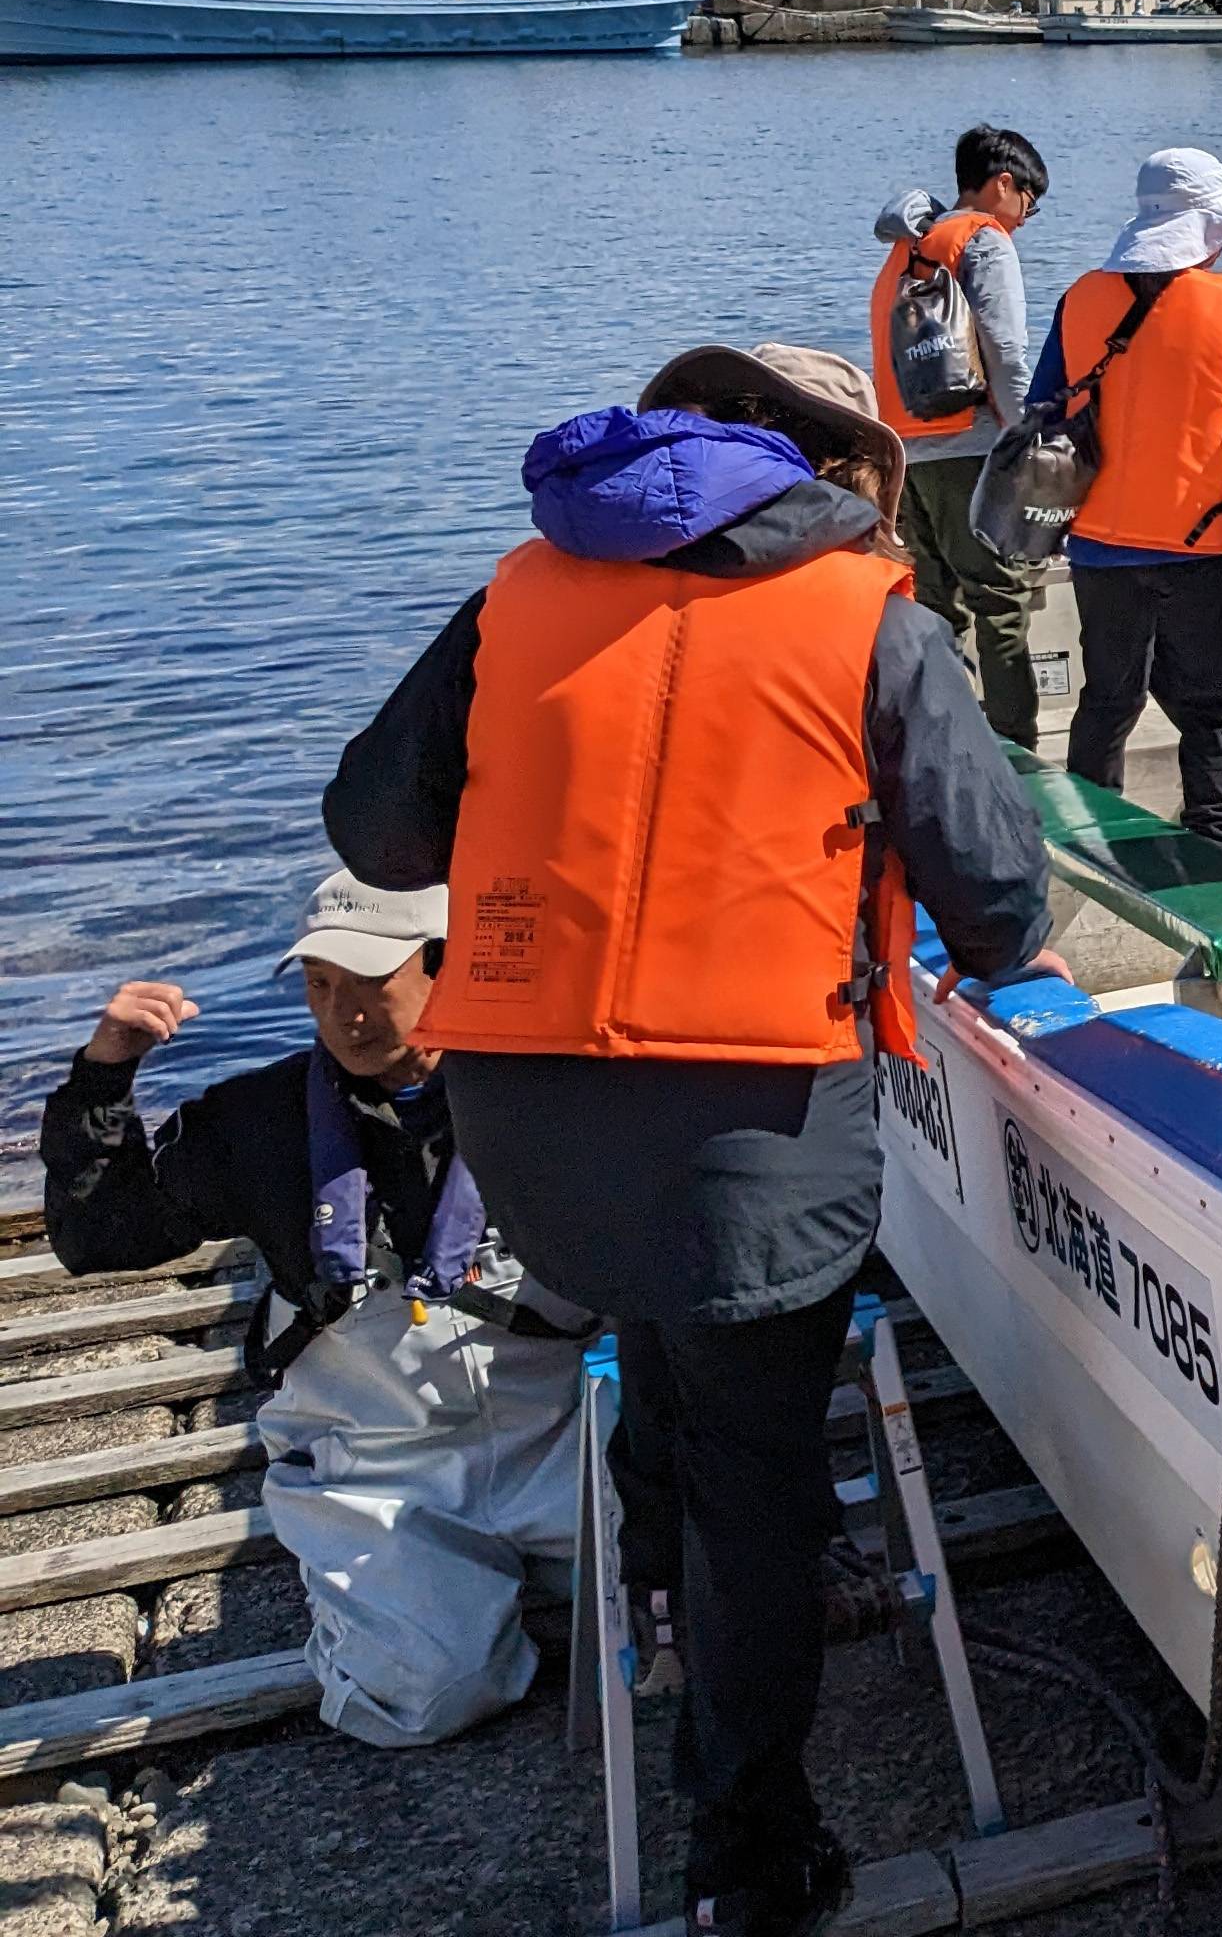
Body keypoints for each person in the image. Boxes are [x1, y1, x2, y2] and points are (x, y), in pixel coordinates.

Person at [327, 341, 1052, 1937]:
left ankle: (653, 1572)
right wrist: (1012, 957)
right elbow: (994, 887)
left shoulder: (515, 593)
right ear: (835, 471)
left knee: (659, 1339)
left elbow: (373, 827)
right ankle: (750, 1839)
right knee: (761, 1481)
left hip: (524, 1121)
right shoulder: (870, 615)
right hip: (751, 1125)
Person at [44, 871, 587, 1750]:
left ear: (450, 971)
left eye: (372, 980)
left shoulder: (560, 1093)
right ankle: (386, 1604)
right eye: (319, 985)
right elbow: (100, 1235)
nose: (346, 1013)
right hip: (374, 1464)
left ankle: (502, 1574)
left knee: (715, 1598)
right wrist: (103, 1079)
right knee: (429, 1698)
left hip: (561, 1434)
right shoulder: (251, 1121)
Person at [1028, 147, 1222, 844]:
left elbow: (1043, 417)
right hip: (1198, 546)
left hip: (1097, 544)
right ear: (1208, 231)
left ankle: (1092, 836)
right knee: (1211, 707)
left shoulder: (1080, 299)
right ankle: (1213, 843)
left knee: (1108, 699)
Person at [870, 123, 1048, 746]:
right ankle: (1017, 760)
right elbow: (1005, 348)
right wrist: (1026, 439)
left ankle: (938, 749)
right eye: (1030, 198)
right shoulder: (985, 242)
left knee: (931, 612)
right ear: (1003, 184)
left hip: (904, 456)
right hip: (969, 453)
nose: (1027, 215)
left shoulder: (908, 248)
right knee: (1002, 605)